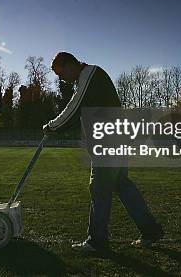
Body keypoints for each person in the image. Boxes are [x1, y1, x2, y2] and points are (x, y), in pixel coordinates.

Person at [43, 52, 163, 252]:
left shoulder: (89, 75)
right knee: (122, 185)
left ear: (70, 65)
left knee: (99, 188)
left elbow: (74, 107)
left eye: (60, 73)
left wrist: (52, 126)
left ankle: (97, 241)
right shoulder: (89, 77)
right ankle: (151, 231)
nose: (60, 78)